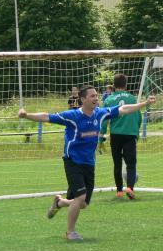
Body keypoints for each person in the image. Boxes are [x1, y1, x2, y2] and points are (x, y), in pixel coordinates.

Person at [18, 85, 155, 240]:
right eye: (92, 96)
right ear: (83, 99)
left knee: (82, 203)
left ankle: (60, 203)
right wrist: (26, 115)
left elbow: (123, 109)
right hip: (72, 161)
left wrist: (144, 104)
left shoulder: (100, 113)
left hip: (89, 163)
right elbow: (47, 117)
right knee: (80, 197)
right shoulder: (72, 115)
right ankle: (70, 232)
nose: (96, 98)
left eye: (96, 96)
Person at [99, 74, 141, 199]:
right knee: (131, 163)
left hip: (116, 135)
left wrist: (101, 137)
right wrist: (136, 132)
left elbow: (104, 119)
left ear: (114, 85)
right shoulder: (132, 98)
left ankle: (119, 191)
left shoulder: (109, 100)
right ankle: (130, 188)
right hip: (130, 134)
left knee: (117, 163)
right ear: (125, 84)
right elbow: (138, 116)